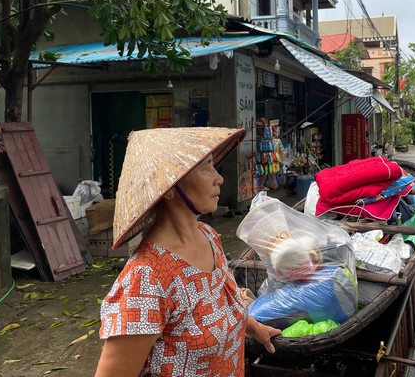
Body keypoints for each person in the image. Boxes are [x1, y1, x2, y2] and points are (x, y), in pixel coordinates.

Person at [95, 127, 281, 377]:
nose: (219, 178)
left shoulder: (208, 236)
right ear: (169, 187)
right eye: (205, 168)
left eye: (214, 166)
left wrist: (254, 328)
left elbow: (222, 301)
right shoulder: (147, 280)